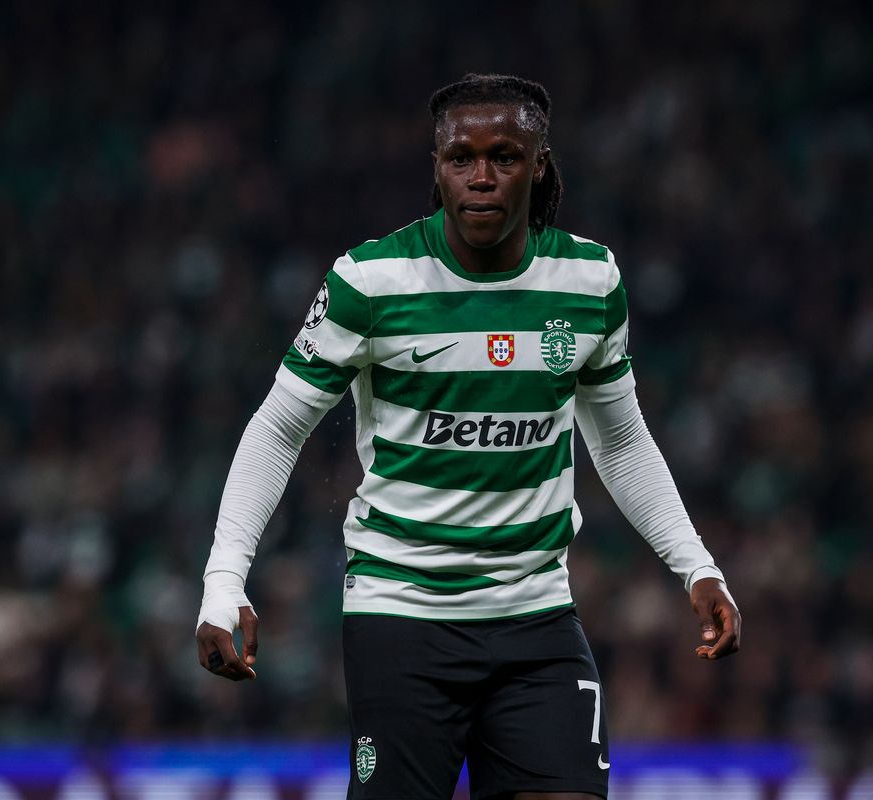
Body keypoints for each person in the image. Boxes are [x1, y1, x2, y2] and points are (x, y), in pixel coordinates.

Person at [196, 73, 741, 800]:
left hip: (536, 616)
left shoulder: (589, 280)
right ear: (437, 166)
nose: (481, 177)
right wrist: (223, 579)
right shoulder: (372, 282)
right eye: (462, 158)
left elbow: (620, 442)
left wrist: (696, 565)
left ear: (539, 164)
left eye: (505, 156)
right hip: (403, 613)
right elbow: (277, 429)